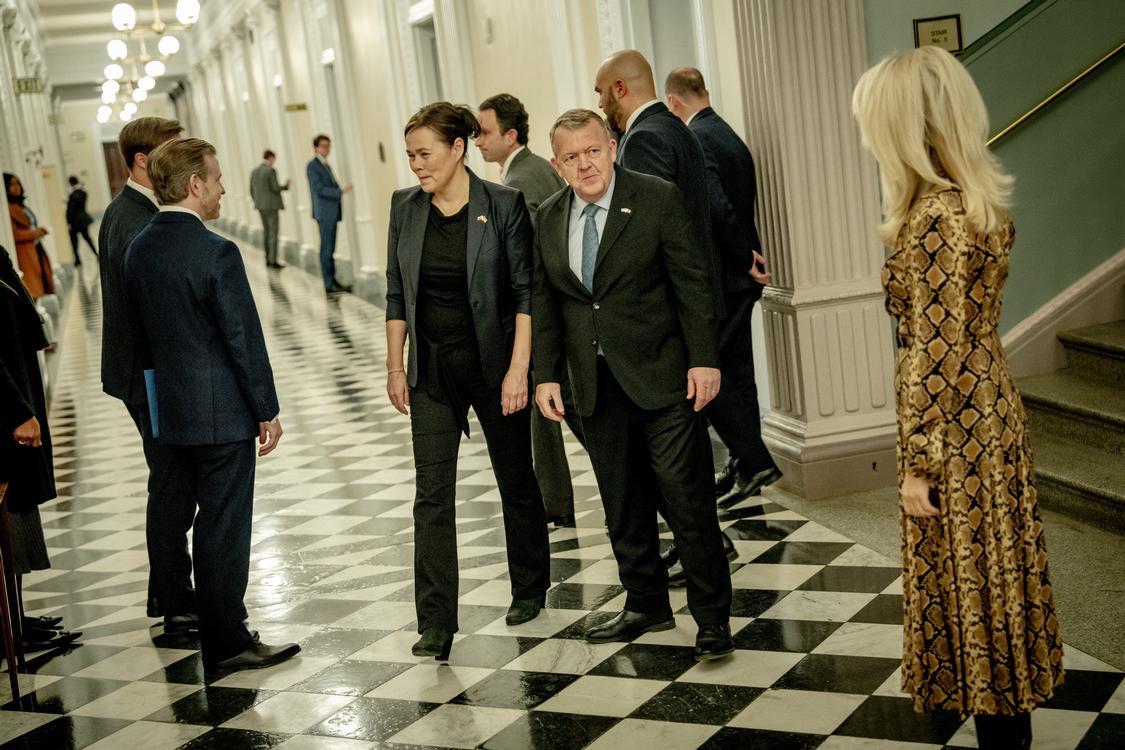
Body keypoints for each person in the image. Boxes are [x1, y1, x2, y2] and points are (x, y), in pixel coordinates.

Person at [852, 46, 1063, 749]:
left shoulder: (936, 217)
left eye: (871, 122)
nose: (865, 137)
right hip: (984, 414)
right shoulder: (966, 202)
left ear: (902, 128)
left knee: (971, 590)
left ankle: (995, 729)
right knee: (990, 590)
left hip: (955, 433)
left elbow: (935, 354)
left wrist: (917, 463)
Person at [532, 109, 733, 661]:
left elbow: (692, 282)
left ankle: (712, 616)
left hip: (665, 378)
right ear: (558, 164)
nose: (585, 164)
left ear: (612, 147)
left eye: (592, 150)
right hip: (594, 386)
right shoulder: (549, 217)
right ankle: (646, 602)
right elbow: (546, 303)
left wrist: (703, 359)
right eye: (571, 157)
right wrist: (545, 374)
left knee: (687, 500)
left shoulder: (656, 197)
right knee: (622, 503)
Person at [385, 102, 551, 661]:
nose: (416, 166)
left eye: (424, 154)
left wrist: (518, 370)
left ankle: (530, 586)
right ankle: (436, 622)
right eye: (410, 156)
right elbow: (394, 292)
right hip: (433, 371)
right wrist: (395, 365)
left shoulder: (502, 205)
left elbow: (526, 292)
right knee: (430, 496)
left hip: (494, 367)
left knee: (515, 478)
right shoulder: (404, 209)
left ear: (458, 149)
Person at [123, 137, 297, 672]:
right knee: (224, 526)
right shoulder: (216, 251)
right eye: (217, 178)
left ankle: (209, 622)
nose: (223, 187)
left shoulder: (139, 247)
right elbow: (241, 337)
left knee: (197, 519)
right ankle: (227, 638)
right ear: (195, 185)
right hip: (221, 413)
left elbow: (140, 337)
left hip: (171, 410)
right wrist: (265, 408)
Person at [595, 50, 737, 576]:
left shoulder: (646, 137)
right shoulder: (676, 128)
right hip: (695, 302)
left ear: (619, 90)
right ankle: (704, 541)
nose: (599, 101)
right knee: (683, 447)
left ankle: (703, 545)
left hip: (670, 315)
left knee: (672, 453)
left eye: (600, 91)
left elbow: (651, 235)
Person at [665, 67, 782, 511]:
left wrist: (741, 258)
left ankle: (753, 459)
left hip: (728, 275)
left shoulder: (696, 139)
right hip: (741, 274)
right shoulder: (729, 133)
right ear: (704, 93)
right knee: (738, 374)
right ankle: (744, 463)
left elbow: (717, 205)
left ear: (674, 102)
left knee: (708, 371)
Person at [97, 116, 198, 634]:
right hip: (150, 375)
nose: (183, 156)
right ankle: (177, 603)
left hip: (145, 372)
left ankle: (169, 593)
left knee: (172, 482)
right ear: (143, 161)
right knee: (174, 485)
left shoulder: (132, 209)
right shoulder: (135, 218)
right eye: (172, 149)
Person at [476, 92, 575, 528]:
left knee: (557, 404)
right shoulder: (533, 169)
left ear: (510, 134)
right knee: (552, 408)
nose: (476, 140)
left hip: (545, 312)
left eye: (484, 132)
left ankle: (557, 502)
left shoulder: (518, 183)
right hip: (552, 311)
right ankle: (555, 501)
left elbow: (532, 259)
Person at [0, 246, 82, 650]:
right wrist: (18, 411)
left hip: (17, 402)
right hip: (4, 418)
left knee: (18, 518)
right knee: (9, 521)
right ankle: (7, 628)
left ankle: (16, 617)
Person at [306, 134, 353, 294]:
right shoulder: (313, 166)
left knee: (330, 248)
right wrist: (339, 190)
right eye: (324, 146)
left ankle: (332, 280)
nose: (327, 149)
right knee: (326, 249)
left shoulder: (325, 164)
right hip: (325, 213)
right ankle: (328, 283)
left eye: (328, 146)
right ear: (316, 148)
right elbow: (319, 189)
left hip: (331, 212)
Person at [5, 173, 54, 299]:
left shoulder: (21, 206)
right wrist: (36, 233)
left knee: (39, 282)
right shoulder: (8, 209)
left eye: (18, 183)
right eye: (12, 184)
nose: (17, 187)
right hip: (24, 252)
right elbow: (15, 234)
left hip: (35, 248)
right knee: (31, 288)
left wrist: (38, 231)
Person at [250, 150, 290, 269]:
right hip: (271, 206)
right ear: (271, 158)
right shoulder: (270, 170)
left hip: (260, 206)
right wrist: (286, 186)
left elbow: (251, 190)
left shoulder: (254, 171)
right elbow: (275, 187)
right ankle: (273, 260)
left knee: (266, 232)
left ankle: (267, 258)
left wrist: (258, 202)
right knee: (273, 233)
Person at [64, 176, 97, 265]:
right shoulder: (83, 193)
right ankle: (96, 254)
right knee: (87, 238)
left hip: (75, 221)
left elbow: (71, 210)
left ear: (71, 183)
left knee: (74, 241)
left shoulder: (73, 195)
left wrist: (68, 222)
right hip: (83, 219)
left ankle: (77, 259)